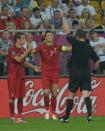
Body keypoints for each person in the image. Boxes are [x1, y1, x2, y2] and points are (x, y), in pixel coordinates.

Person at [59, 17, 99, 123]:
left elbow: (67, 31)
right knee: (86, 94)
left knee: (71, 94)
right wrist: (94, 73)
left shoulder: (75, 43)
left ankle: (66, 117)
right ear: (85, 37)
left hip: (75, 72)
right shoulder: (89, 47)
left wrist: (64, 20)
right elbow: (97, 61)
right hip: (86, 72)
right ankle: (89, 117)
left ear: (77, 36)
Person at [31, 30, 72, 120]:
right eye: (48, 35)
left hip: (55, 73)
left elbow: (68, 48)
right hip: (45, 73)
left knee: (54, 94)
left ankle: (53, 112)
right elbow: (32, 51)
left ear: (53, 37)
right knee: (46, 92)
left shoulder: (57, 47)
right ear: (45, 37)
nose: (50, 36)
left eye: (51, 35)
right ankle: (46, 111)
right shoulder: (41, 47)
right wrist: (29, 50)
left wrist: (76, 45)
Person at [7, 32, 40, 124]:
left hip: (21, 75)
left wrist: (33, 67)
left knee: (21, 97)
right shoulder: (12, 49)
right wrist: (28, 51)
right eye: (22, 38)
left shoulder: (23, 49)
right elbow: (19, 59)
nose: (24, 40)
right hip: (13, 76)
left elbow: (24, 63)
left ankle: (19, 118)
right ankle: (12, 117)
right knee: (12, 98)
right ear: (17, 40)